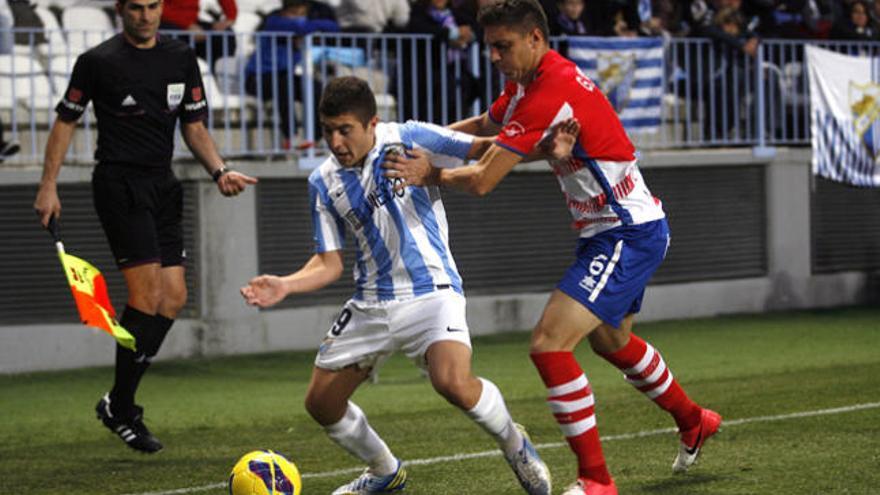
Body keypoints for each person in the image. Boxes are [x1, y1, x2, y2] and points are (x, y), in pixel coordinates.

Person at [382, 1, 722, 494]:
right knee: (609, 341)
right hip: (616, 229)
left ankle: (597, 482)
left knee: (548, 344)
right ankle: (694, 420)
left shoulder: (549, 91)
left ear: (535, 39)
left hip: (626, 232)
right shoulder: (529, 83)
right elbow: (482, 126)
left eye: (503, 46)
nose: (494, 56)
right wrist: (404, 136)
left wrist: (427, 172)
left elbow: (481, 181)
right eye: (490, 47)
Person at [240, 76, 553, 495]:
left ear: (371, 123)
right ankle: (385, 471)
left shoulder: (408, 138)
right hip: (370, 302)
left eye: (344, 129)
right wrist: (286, 284)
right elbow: (329, 262)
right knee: (320, 404)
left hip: (431, 290)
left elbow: (483, 150)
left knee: (453, 383)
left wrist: (547, 150)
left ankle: (515, 445)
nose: (335, 141)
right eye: (328, 130)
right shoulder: (323, 182)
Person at [33, 0, 257, 453]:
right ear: (121, 10)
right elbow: (65, 122)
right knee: (146, 297)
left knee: (173, 299)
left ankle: (118, 403)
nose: (146, 15)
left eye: (153, 5)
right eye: (136, 7)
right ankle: (123, 406)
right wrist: (48, 185)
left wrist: (219, 170)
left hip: (162, 184)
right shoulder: (97, 62)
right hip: (119, 184)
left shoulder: (180, 57)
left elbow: (194, 126)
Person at [244, 0, 338, 147]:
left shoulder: (300, 29)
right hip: (257, 79)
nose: (298, 17)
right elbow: (302, 26)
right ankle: (291, 135)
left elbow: (333, 27)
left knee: (315, 87)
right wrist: (307, 28)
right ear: (284, 12)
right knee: (284, 83)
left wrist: (306, 29)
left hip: (283, 77)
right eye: (294, 13)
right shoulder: (273, 22)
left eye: (302, 14)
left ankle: (315, 137)